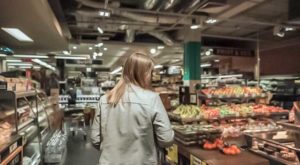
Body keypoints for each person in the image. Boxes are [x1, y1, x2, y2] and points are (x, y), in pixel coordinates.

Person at [91, 52, 174, 165]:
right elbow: (166, 139)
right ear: (143, 74)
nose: (151, 76)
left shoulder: (105, 100)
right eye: (150, 72)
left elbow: (95, 139)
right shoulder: (152, 99)